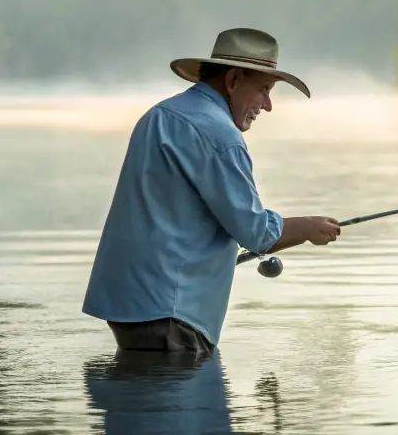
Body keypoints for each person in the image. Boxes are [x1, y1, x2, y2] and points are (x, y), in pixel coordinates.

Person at [82, 27, 340, 355]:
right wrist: (307, 228)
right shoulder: (221, 136)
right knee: (183, 404)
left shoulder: (159, 116)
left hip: (128, 304)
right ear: (232, 81)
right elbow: (257, 234)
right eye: (263, 89)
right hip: (171, 312)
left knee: (143, 397)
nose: (268, 105)